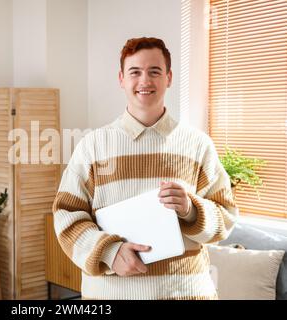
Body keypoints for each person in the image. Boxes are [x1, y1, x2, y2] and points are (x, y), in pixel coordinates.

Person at [52, 37, 238, 300]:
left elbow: (226, 216)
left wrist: (190, 210)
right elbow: (66, 215)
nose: (145, 81)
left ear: (169, 77)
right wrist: (109, 252)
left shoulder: (198, 145)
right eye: (135, 72)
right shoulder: (92, 145)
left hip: (186, 293)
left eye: (154, 71)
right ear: (121, 79)